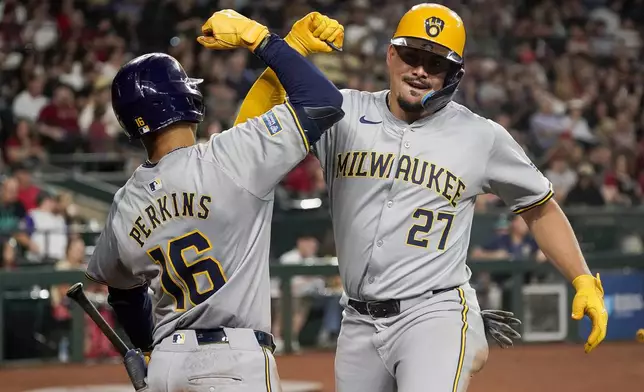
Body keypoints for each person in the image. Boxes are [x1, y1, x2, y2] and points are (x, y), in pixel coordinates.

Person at [235, 3, 608, 392]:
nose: (420, 71)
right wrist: (290, 51)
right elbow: (247, 140)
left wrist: (582, 279)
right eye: (412, 56)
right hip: (358, 321)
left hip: (434, 312)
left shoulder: (481, 136)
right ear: (391, 55)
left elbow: (539, 206)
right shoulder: (341, 111)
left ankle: (464, 331)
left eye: (435, 64)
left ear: (453, 75)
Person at [85, 10, 345, 392]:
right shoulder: (228, 160)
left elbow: (123, 294)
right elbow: (324, 99)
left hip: (169, 365)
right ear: (185, 98)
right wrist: (263, 40)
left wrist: (145, 345)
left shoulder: (124, 204)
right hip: (235, 361)